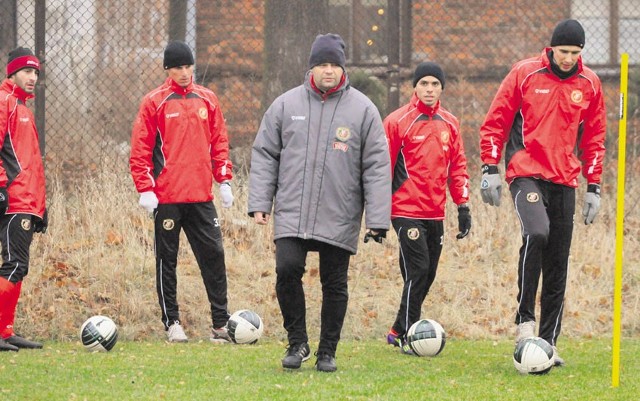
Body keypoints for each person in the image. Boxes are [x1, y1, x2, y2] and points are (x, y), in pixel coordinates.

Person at [248, 33, 391, 372]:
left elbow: (376, 165)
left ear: (343, 69)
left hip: (339, 211)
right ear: (311, 68)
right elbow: (265, 154)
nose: (328, 71)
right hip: (292, 211)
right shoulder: (285, 105)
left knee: (334, 281)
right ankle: (297, 343)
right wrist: (260, 202)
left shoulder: (363, 110)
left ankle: (328, 350)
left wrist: (377, 217)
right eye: (322, 65)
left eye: (334, 65)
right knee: (286, 269)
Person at [479, 19, 606, 366]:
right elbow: (496, 121)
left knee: (558, 262)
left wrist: (594, 186)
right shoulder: (525, 73)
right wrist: (489, 167)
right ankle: (524, 321)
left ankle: (547, 342)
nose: (568, 58)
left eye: (575, 53)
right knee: (537, 233)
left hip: (565, 179)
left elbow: (594, 139)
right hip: (526, 171)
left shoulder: (590, 84)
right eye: (563, 51)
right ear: (551, 48)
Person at [129, 41, 235, 343]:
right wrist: (146, 188)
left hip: (202, 196)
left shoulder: (208, 99)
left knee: (214, 256)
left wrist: (223, 180)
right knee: (167, 259)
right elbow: (141, 148)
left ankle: (220, 323)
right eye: (178, 67)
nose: (185, 72)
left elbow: (220, 143)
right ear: (168, 69)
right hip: (168, 198)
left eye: (189, 66)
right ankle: (172, 322)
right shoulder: (155, 102)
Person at [383, 61, 471, 355]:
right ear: (415, 87)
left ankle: (397, 329)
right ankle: (409, 334)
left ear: (441, 88)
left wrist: (463, 206)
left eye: (435, 84)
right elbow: (381, 169)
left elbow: (458, 166)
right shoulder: (398, 121)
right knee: (418, 269)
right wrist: (378, 215)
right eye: (424, 84)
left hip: (435, 211)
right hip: (405, 208)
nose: (430, 89)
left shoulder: (451, 122)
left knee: (427, 273)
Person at [0, 47, 48, 352]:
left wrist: (41, 207)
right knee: (14, 265)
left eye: (36, 73)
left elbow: (30, 163)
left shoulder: (23, 108)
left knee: (18, 265)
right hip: (12, 199)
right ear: (12, 73)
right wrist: (1, 188)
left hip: (26, 201)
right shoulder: (4, 102)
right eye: (27, 71)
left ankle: (6, 330)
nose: (32, 78)